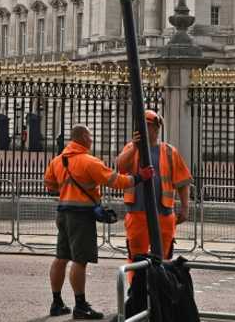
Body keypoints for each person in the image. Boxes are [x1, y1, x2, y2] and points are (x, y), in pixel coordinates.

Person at [44, 124, 153, 319]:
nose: (92, 140)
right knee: (80, 260)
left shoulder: (57, 161)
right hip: (82, 216)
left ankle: (56, 302)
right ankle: (80, 305)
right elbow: (117, 181)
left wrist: (67, 192)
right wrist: (139, 177)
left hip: (62, 213)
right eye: (90, 136)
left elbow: (50, 185)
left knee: (61, 258)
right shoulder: (89, 161)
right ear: (84, 137)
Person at [115, 109, 192, 264]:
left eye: (148, 125)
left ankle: (158, 287)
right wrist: (136, 147)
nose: (143, 128)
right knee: (136, 259)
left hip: (163, 214)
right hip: (137, 213)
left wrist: (185, 208)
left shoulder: (170, 152)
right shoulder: (131, 148)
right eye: (142, 124)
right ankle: (137, 288)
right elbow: (120, 167)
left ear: (157, 128)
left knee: (163, 259)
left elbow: (182, 182)